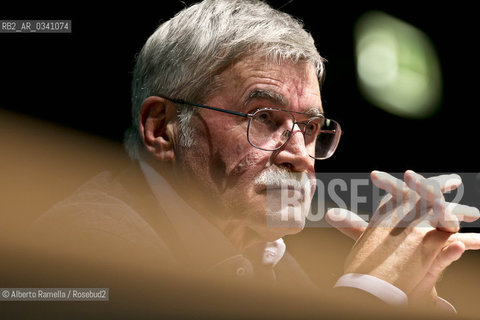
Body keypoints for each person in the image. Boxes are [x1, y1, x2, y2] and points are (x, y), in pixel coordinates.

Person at [32, 0, 480, 317]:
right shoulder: (80, 248)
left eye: (309, 127)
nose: (301, 157)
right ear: (161, 129)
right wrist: (367, 295)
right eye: (265, 118)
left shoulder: (270, 261)